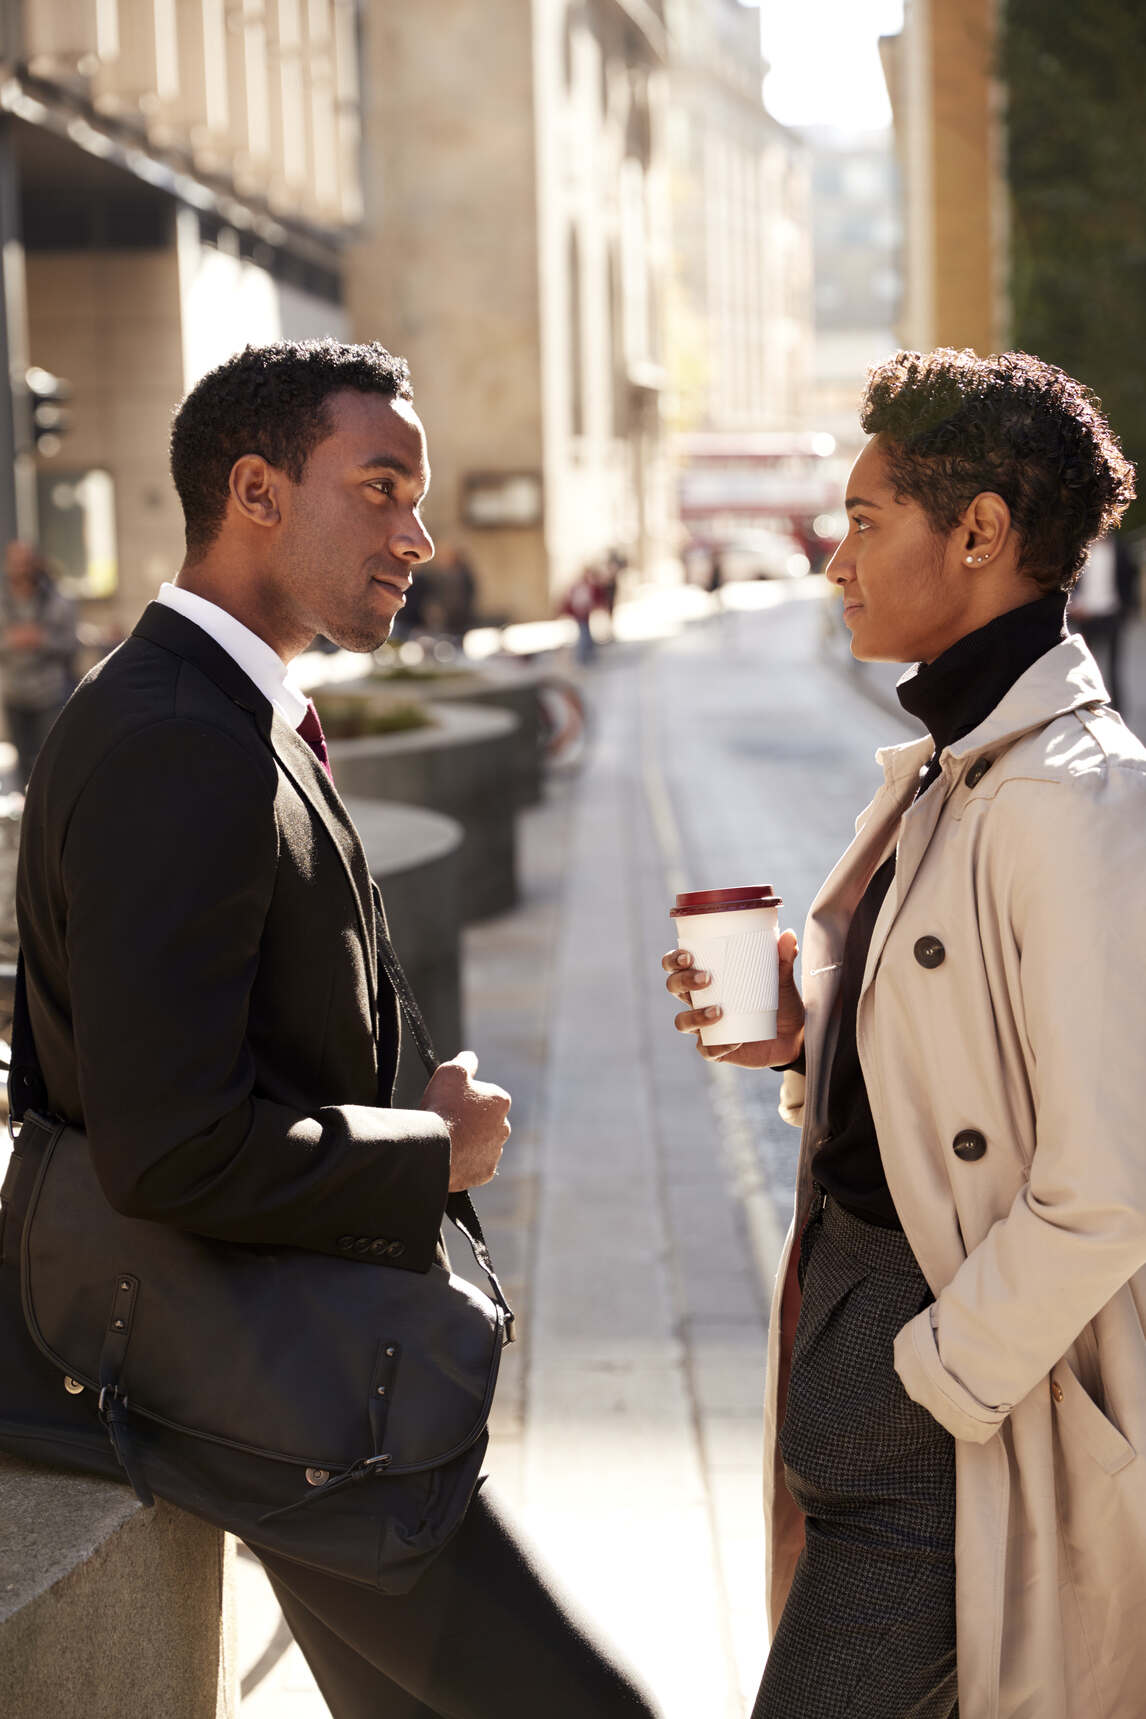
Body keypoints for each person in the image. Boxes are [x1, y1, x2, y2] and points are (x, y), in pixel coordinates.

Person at [1, 339, 659, 1719]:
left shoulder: (220, 710)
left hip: (279, 1361)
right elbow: (167, 1142)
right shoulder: (179, 738)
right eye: (380, 487)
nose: (417, 535)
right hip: (260, 1373)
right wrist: (427, 1149)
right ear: (254, 489)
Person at [663, 348, 1146, 1718]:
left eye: (865, 521)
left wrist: (929, 1378)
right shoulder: (952, 767)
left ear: (980, 532)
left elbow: (1107, 1179)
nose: (833, 562)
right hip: (871, 1377)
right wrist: (806, 1041)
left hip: (952, 1429)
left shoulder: (1077, 801)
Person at [0, 541, 78, 787]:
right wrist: (12, 640)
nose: (21, 570)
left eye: (25, 563)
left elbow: (71, 644)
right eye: (16, 563)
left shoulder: (58, 599)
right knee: (22, 764)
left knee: (51, 761)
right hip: (14, 692)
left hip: (49, 693)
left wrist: (41, 639)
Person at [1069, 530, 1138, 711]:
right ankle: (1087, 707)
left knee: (1114, 666)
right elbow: (1070, 579)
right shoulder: (1081, 549)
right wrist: (1074, 603)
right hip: (1086, 615)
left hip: (1112, 614)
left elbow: (1130, 577)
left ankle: (1118, 710)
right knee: (1086, 665)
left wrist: (1128, 607)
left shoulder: (1121, 548)